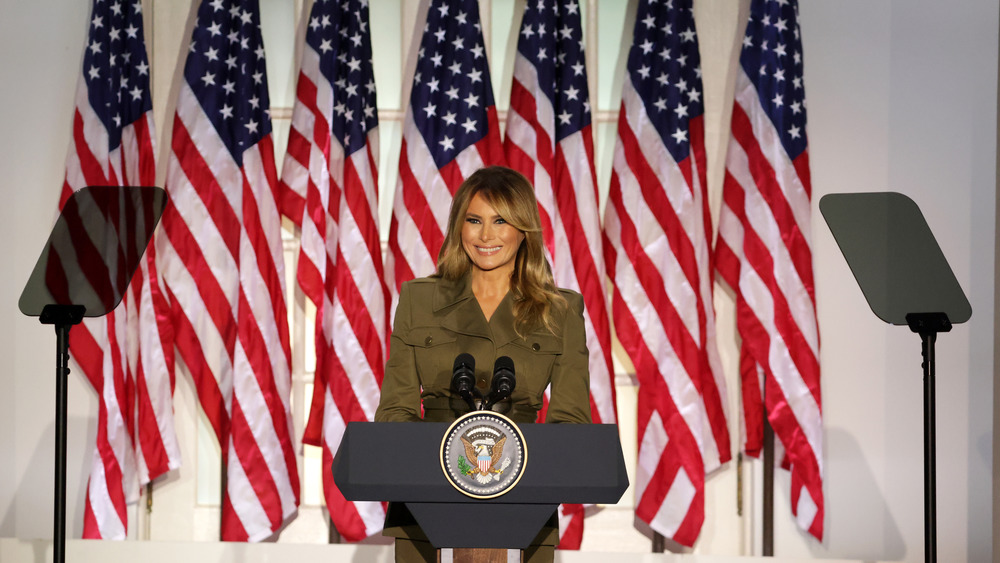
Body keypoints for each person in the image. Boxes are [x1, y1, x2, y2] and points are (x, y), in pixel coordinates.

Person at [375, 165, 592, 562]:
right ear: (460, 226)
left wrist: (524, 469)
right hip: (425, 490)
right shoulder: (418, 299)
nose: (486, 235)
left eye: (501, 221)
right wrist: (427, 464)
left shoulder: (560, 310)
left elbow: (570, 424)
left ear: (523, 229)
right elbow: (395, 410)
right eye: (474, 220)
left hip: (526, 488)